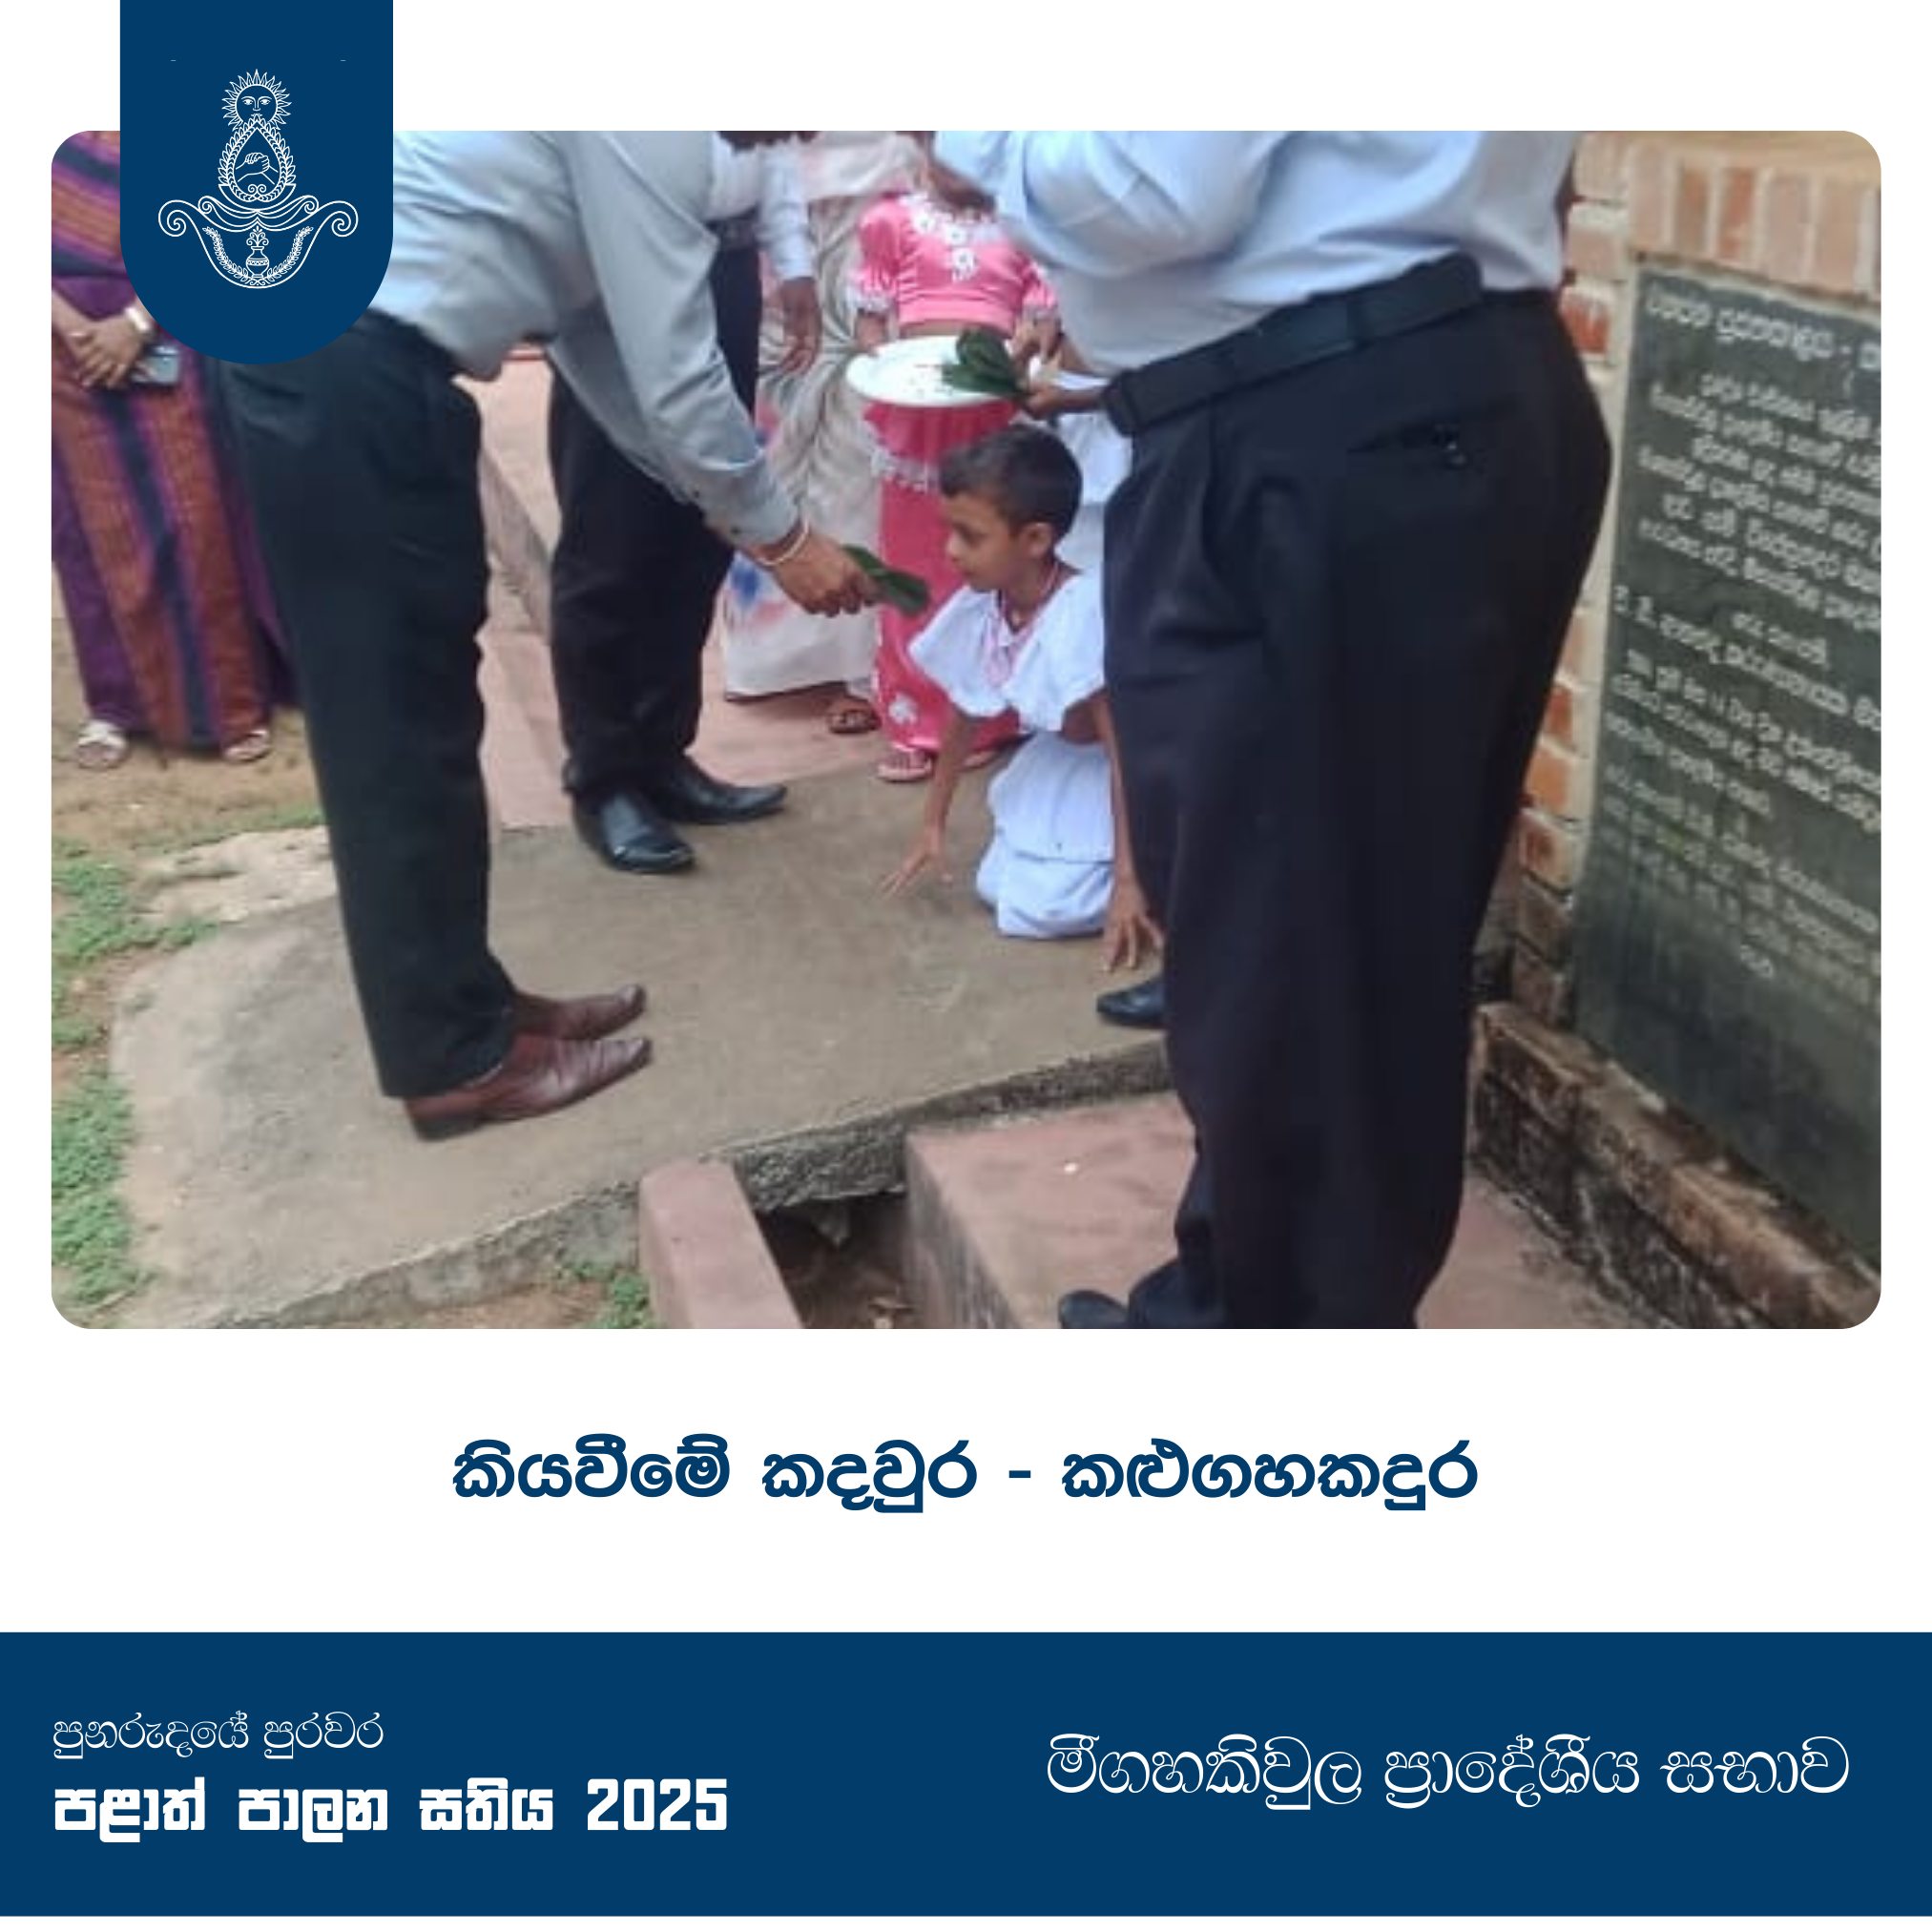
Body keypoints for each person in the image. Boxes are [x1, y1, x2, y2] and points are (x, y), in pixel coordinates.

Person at [936, 133, 1610, 1327]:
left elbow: (1150, 187)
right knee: (1325, 954)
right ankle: (1234, 1303)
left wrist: (963, 122)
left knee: (1294, 966)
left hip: (1316, 428)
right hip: (1398, 398)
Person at [216, 133, 876, 1140]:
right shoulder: (651, 113)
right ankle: (454, 1059)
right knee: (396, 733)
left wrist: (704, 493)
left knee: (425, 710)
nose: (786, 140)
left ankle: (467, 1002)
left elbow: (595, 342)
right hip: (346, 363)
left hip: (349, 358)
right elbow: (674, 373)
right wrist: (777, 534)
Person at [551, 137, 820, 875]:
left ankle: (662, 752)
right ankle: (604, 779)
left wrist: (791, 257)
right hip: (621, 260)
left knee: (696, 538)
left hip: (726, 259)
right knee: (611, 543)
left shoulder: (762, 117)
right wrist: (787, 539)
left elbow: (770, 145)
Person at [882, 426, 1157, 973]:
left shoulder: (1079, 610)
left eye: (969, 537)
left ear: (1035, 540)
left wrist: (1129, 883)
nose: (951, 552)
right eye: (951, 532)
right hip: (1059, 758)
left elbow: (1122, 748)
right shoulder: (988, 603)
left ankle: (1151, 868)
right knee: (997, 887)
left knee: (1050, 907)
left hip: (1121, 772)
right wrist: (933, 824)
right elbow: (964, 711)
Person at [52, 131, 284, 772]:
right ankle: (114, 705)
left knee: (197, 516)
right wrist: (74, 330)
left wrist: (134, 323)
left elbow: (219, 221)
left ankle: (232, 704)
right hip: (57, 339)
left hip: (169, 321)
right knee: (88, 530)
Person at [851, 144, 1057, 782]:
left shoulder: (1023, 224)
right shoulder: (891, 219)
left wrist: (1023, 359)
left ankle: (985, 717)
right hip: (914, 416)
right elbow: (869, 324)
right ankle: (910, 715)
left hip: (989, 413)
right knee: (910, 567)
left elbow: (1040, 329)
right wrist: (879, 364)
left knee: (989, 566)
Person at [718, 133, 922, 735]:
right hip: (764, 173)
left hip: (881, 178)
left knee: (864, 419)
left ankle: (866, 657)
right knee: (774, 409)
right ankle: (771, 650)